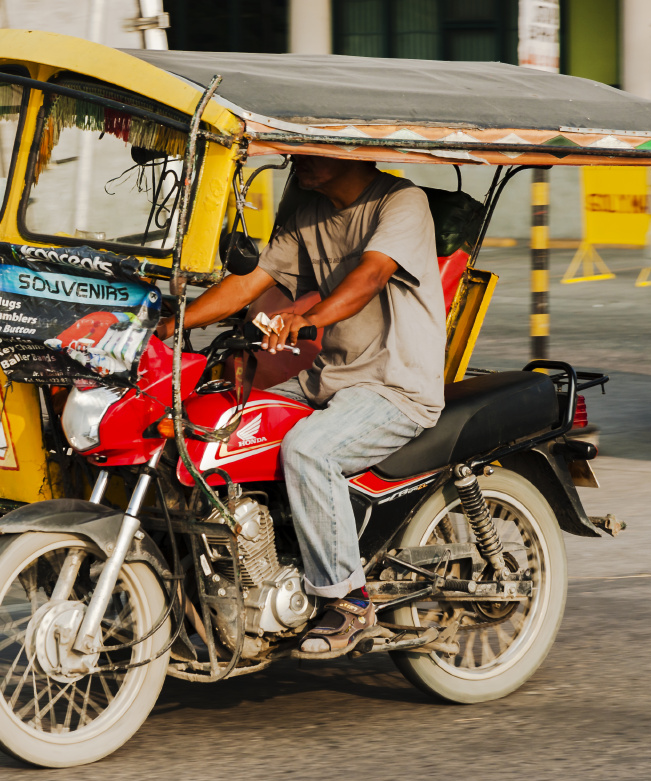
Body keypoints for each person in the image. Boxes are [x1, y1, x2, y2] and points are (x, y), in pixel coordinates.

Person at [158, 155, 444, 653]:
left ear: (347, 151)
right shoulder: (308, 209)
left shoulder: (401, 202)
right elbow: (251, 282)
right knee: (218, 425)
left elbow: (371, 276)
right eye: (294, 152)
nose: (296, 162)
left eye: (309, 151)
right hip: (327, 380)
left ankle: (348, 602)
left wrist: (310, 319)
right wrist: (172, 325)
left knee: (309, 451)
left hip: (396, 385)